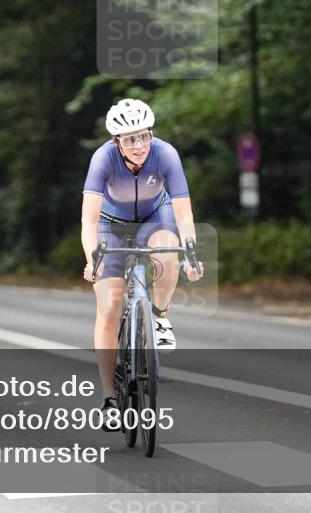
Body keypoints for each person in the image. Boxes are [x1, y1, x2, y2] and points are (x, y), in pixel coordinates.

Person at [80, 98, 202, 424]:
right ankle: (108, 399)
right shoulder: (102, 159)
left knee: (167, 250)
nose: (139, 145)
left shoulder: (166, 154)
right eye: (130, 138)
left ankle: (159, 315)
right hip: (111, 224)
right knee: (109, 306)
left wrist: (190, 251)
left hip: (154, 216)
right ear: (115, 141)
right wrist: (92, 259)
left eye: (144, 135)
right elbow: (89, 221)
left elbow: (183, 212)